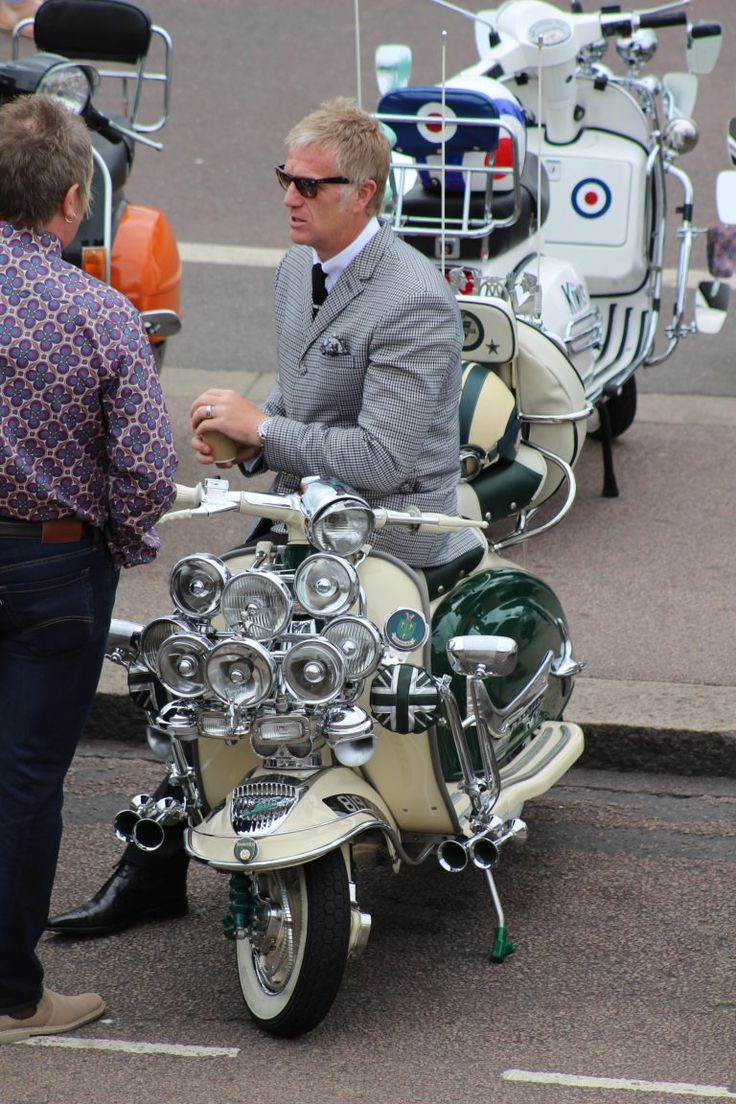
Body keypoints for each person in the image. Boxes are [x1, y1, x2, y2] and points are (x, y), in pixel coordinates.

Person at [47, 97, 478, 938]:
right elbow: (302, 397)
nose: (290, 196)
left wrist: (266, 431)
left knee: (304, 670)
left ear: (365, 194)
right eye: (285, 178)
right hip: (306, 521)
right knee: (187, 645)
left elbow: (386, 462)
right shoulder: (295, 268)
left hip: (390, 538)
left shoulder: (414, 298)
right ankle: (155, 865)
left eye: (312, 185)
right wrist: (247, 443)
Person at [0, 95, 177, 1043]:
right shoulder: (101, 312)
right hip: (53, 570)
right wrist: (121, 539)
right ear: (73, 200)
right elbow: (149, 471)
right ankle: (13, 998)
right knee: (25, 783)